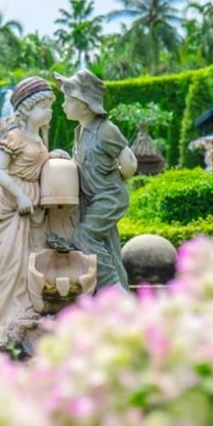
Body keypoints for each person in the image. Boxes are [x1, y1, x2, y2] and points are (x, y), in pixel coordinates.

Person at [0, 76, 65, 347]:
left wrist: (53, 156)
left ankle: (28, 307)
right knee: (13, 262)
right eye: (43, 106)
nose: (49, 111)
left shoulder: (36, 138)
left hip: (35, 209)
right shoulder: (15, 137)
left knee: (33, 258)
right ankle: (1, 313)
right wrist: (19, 195)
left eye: (50, 106)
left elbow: (37, 164)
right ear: (27, 109)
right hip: (17, 206)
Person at [54, 69, 137, 292]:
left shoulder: (106, 129)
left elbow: (129, 163)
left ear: (84, 105)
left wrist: (116, 178)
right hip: (95, 198)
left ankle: (113, 291)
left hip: (109, 196)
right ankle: (123, 291)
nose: (63, 105)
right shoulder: (80, 131)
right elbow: (82, 163)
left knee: (84, 236)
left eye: (68, 99)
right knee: (109, 245)